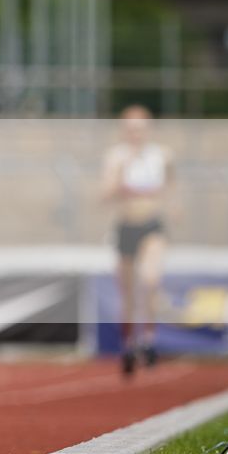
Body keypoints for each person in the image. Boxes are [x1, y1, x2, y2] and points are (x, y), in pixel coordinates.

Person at [100, 105, 173, 374]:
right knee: (128, 293)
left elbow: (170, 184)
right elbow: (105, 194)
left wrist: (172, 204)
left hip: (151, 225)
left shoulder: (161, 155)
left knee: (150, 280)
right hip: (126, 227)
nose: (135, 134)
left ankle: (150, 340)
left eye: (140, 128)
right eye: (130, 129)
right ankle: (129, 344)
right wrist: (120, 179)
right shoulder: (116, 157)